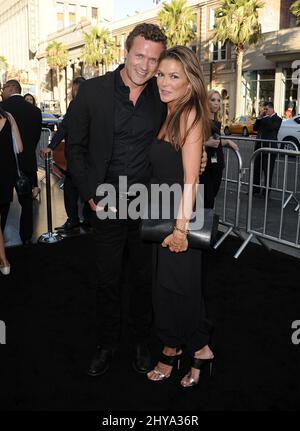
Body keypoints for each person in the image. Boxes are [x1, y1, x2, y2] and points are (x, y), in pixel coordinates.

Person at [68, 23, 207, 377]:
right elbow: (74, 147)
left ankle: (145, 343)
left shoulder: (161, 97)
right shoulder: (93, 92)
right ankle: (106, 344)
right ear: (126, 50)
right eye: (140, 55)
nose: (146, 67)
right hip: (107, 200)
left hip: (150, 201)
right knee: (107, 278)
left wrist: (200, 155)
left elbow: (181, 136)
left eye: (154, 60)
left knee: (148, 280)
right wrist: (89, 194)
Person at [146, 45, 214, 388]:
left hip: (178, 216)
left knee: (180, 289)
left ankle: (198, 349)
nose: (164, 82)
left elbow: (190, 179)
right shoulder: (167, 111)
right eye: (161, 74)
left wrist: (181, 229)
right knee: (167, 290)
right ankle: (174, 348)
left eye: (174, 76)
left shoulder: (188, 113)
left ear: (190, 81)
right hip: (161, 213)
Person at [40, 77, 88, 233]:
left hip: (80, 156)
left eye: (75, 88)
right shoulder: (86, 104)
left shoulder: (77, 104)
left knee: (73, 189)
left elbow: (64, 127)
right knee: (79, 188)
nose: (73, 92)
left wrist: (50, 146)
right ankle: (85, 221)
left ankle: (77, 220)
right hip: (84, 156)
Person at [1, 79, 42, 245]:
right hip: (27, 163)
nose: (2, 92)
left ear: (11, 88)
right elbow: (36, 138)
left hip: (4, 165)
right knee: (27, 204)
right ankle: (26, 237)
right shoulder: (35, 111)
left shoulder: (3, 110)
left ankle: (1, 241)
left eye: (3, 88)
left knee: (3, 204)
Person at [201, 89, 238, 209]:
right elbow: (193, 142)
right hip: (205, 165)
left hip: (217, 164)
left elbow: (216, 141)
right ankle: (200, 226)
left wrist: (227, 141)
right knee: (207, 199)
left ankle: (203, 224)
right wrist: (206, 143)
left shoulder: (217, 121)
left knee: (212, 196)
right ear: (206, 101)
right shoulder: (201, 120)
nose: (216, 103)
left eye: (218, 100)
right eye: (212, 100)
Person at [0, 106, 23, 274]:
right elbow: (19, 148)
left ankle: (4, 260)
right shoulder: (8, 116)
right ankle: (4, 262)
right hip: (6, 175)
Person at [253, 101, 282, 195]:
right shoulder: (263, 118)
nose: (264, 111)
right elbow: (255, 128)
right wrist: (259, 118)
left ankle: (266, 192)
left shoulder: (277, 119)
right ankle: (255, 190)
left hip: (270, 149)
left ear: (271, 108)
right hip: (259, 148)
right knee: (256, 170)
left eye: (266, 109)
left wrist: (266, 117)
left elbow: (271, 128)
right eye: (264, 109)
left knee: (267, 172)